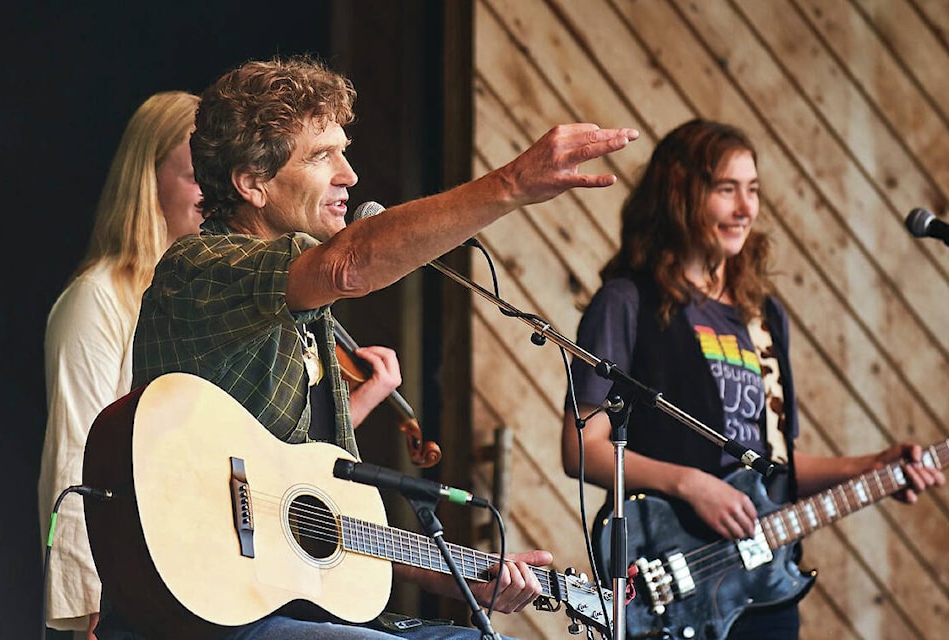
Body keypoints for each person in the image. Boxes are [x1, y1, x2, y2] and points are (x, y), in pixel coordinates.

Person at [89, 53, 637, 640]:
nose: (349, 174)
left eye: (343, 151)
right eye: (322, 156)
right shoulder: (199, 266)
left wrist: (456, 575)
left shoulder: (308, 316)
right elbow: (349, 264)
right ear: (253, 183)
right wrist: (509, 185)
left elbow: (320, 516)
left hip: (282, 608)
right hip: (207, 615)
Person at [560, 118, 944, 640]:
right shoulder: (626, 302)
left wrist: (871, 466)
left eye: (753, 191)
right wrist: (692, 485)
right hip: (668, 580)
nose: (746, 209)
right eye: (726, 190)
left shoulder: (762, 316)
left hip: (763, 588)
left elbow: (775, 465)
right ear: (680, 195)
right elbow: (581, 447)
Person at [38, 91, 204, 639]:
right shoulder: (98, 297)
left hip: (190, 591)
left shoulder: (202, 304)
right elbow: (74, 458)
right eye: (195, 173)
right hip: (122, 604)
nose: (214, 192)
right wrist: (89, 603)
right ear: (147, 180)